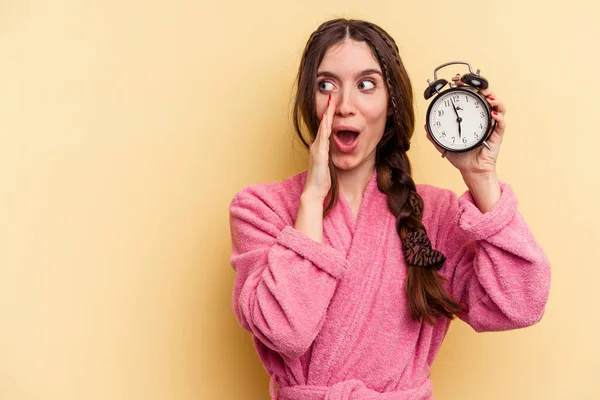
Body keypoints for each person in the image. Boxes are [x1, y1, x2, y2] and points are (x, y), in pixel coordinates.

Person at [227, 18, 551, 400]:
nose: (345, 106)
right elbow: (286, 331)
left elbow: (519, 304)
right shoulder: (260, 208)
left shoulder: (434, 215)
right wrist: (312, 200)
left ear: (392, 105)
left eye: (366, 85)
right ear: (308, 103)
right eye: (326, 85)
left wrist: (481, 176)